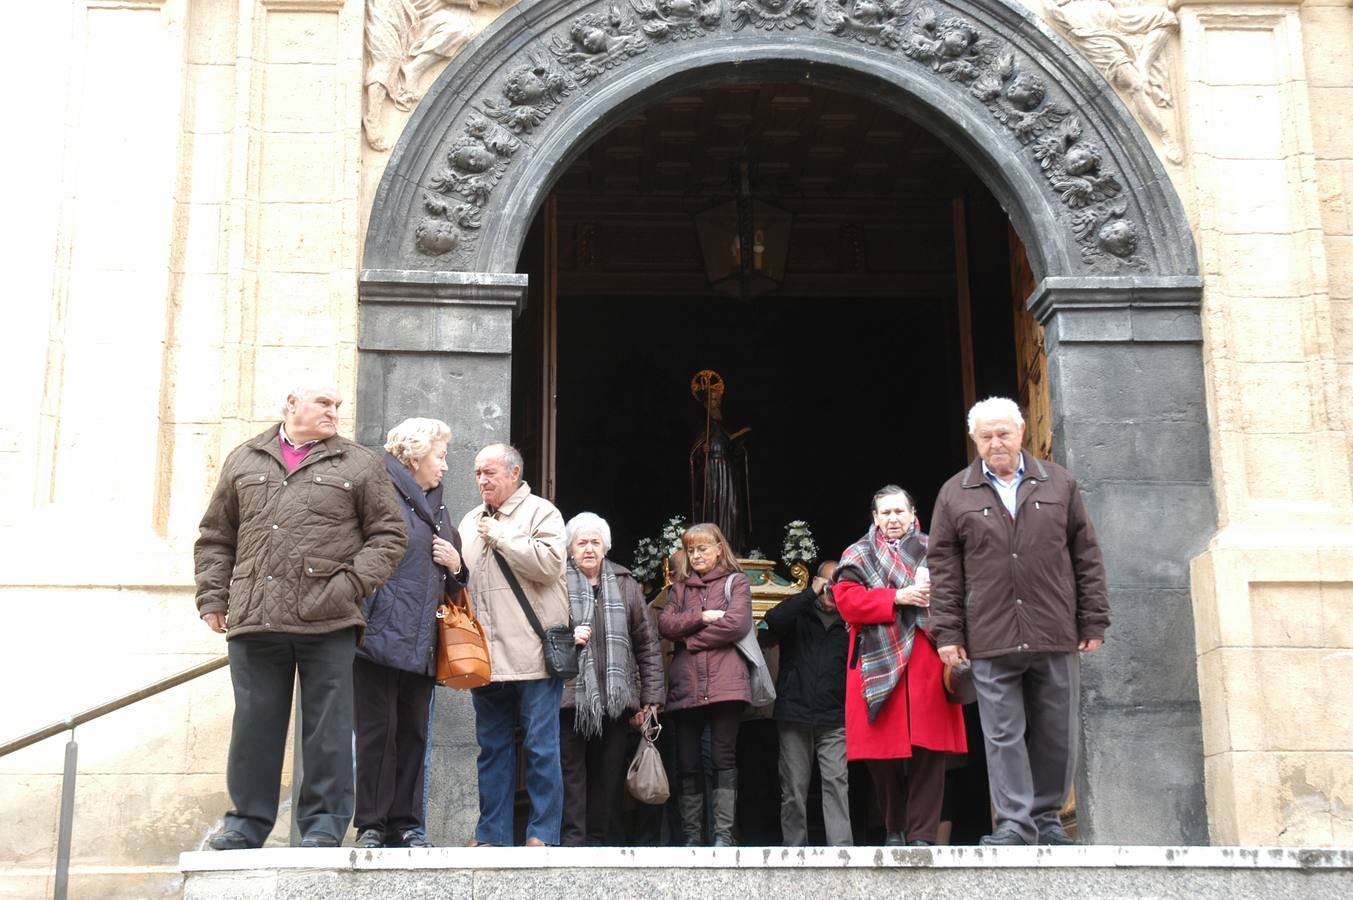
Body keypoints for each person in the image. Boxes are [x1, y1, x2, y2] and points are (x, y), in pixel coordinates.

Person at [195, 385, 407, 850]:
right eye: (324, 404)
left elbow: (390, 534)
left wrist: (350, 587)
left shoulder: (359, 463)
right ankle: (245, 825)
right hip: (255, 616)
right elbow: (215, 535)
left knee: (328, 731)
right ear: (291, 404)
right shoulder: (244, 459)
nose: (334, 412)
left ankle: (323, 827)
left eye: (337, 406)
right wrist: (213, 596)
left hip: (327, 618)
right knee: (254, 726)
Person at [928, 397, 1110, 846]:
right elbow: (944, 569)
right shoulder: (954, 493)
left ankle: (1046, 819)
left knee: (1056, 732)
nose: (996, 443)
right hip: (989, 635)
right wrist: (947, 632)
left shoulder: (1059, 483)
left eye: (1003, 433)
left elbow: (1086, 555)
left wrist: (1093, 621)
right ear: (974, 440)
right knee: (1002, 733)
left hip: (1053, 629)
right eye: (986, 436)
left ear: (1022, 432)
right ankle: (1014, 822)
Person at [352, 417, 464, 850]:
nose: (446, 466)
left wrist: (456, 563)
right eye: (441, 455)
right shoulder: (376, 488)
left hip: (422, 637)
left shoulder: (437, 504)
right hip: (378, 635)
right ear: (415, 454)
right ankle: (372, 826)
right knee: (378, 733)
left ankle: (406, 823)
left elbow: (455, 578)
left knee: (414, 733)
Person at [833, 487, 967, 847]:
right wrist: (896, 597)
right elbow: (847, 602)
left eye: (899, 512)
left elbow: (958, 595)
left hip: (927, 658)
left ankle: (922, 835)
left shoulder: (935, 548)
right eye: (885, 513)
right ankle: (894, 828)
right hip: (877, 663)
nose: (892, 519)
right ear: (874, 518)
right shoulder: (857, 554)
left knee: (929, 753)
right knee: (883, 755)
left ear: (913, 513)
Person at [457, 442, 569, 847]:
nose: (481, 481)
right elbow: (463, 581)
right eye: (476, 474)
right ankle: (491, 835)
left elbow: (550, 565)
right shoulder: (469, 521)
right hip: (485, 657)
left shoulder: (543, 512)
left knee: (540, 748)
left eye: (489, 473)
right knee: (491, 750)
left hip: (533, 656)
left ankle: (543, 834)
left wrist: (503, 535)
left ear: (515, 474)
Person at [559, 512, 665, 846]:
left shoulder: (625, 583)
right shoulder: (556, 582)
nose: (588, 548)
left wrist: (650, 699)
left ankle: (599, 842)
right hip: (569, 700)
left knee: (608, 777)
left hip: (617, 702)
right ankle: (573, 841)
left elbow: (647, 644)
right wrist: (566, 637)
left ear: (605, 546)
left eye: (595, 542)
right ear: (570, 548)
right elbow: (541, 636)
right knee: (570, 775)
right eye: (581, 542)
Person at [657, 523, 752, 847]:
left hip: (726, 684)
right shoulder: (680, 587)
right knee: (687, 762)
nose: (696, 555)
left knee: (724, 759)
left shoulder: (736, 582)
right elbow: (665, 624)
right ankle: (692, 838)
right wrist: (702, 615)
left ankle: (723, 836)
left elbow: (736, 625)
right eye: (691, 550)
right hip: (687, 685)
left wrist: (691, 639)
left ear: (719, 549)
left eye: (702, 549)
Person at [763, 560, 852, 847]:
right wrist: (810, 594)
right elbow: (772, 621)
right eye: (827, 583)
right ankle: (794, 850)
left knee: (837, 784)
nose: (831, 590)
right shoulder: (800, 613)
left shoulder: (851, 622)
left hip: (834, 716)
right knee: (793, 789)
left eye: (838, 585)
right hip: (794, 713)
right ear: (817, 581)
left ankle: (841, 851)